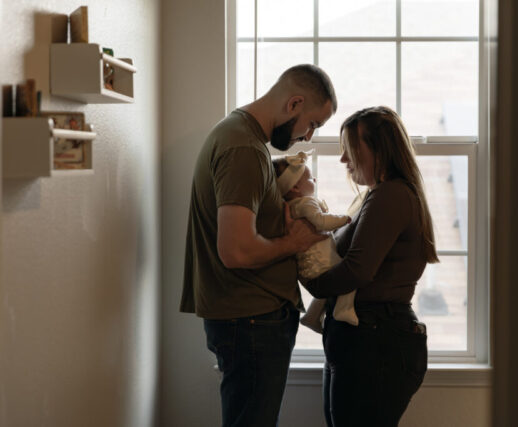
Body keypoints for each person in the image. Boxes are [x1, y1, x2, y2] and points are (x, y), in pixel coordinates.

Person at [180, 64, 337, 427]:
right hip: (251, 319)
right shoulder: (244, 149)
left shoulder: (240, 138)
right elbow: (236, 251)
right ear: (294, 103)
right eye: (312, 123)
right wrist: (294, 241)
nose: (308, 136)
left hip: (247, 317)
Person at [302, 106, 440, 427]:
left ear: (379, 149)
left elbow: (356, 271)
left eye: (351, 150)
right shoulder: (377, 195)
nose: (343, 160)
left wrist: (305, 274)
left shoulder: (390, 195)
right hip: (365, 340)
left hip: (376, 342)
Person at [271, 150, 356, 334]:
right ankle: (344, 309)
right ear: (294, 187)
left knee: (328, 286)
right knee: (349, 277)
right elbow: (321, 221)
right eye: (309, 178)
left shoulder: (292, 206)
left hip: (308, 265)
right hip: (320, 260)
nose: (314, 181)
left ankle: (311, 316)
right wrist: (344, 219)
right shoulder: (306, 203)